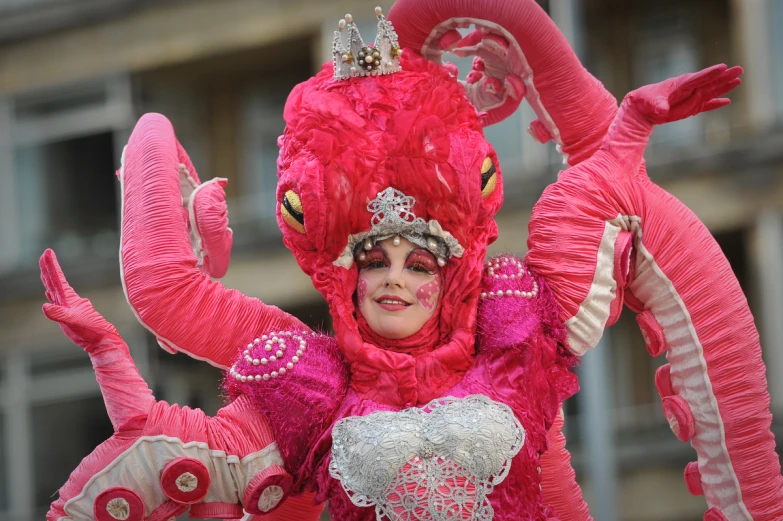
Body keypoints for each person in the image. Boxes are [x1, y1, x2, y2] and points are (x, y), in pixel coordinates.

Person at [40, 0, 782, 520]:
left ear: (448, 274)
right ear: (347, 279)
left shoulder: (515, 335)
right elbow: (180, 443)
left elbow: (602, 197)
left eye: (418, 264)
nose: (394, 277)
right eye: (376, 263)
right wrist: (109, 354)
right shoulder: (308, 383)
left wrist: (623, 132)